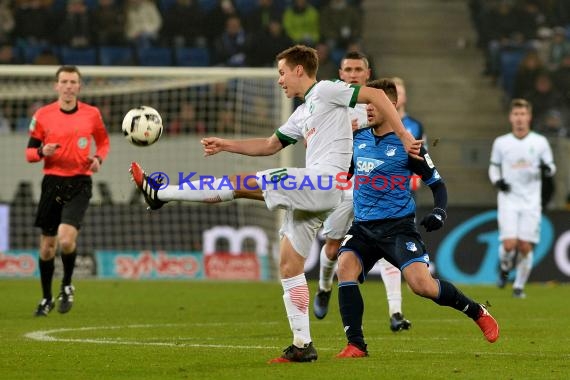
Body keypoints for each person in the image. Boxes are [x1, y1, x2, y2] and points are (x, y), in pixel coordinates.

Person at [129, 45, 421, 363]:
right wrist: (226, 144)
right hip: (318, 193)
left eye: (282, 73)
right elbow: (270, 145)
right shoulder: (302, 111)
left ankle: (160, 194)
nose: (279, 80)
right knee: (288, 265)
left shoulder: (326, 90)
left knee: (239, 184)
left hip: (322, 182)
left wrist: (405, 136)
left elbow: (377, 98)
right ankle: (302, 345)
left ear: (299, 70)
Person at [335, 78, 500, 358]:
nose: (368, 110)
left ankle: (476, 311)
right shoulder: (358, 138)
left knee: (421, 286)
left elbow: (437, 184)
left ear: (391, 104)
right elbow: (346, 173)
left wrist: (439, 211)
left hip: (398, 227)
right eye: (366, 105)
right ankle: (356, 344)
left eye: (373, 104)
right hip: (363, 227)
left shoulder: (408, 145)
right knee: (345, 268)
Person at [313, 52, 412, 333]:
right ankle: (323, 288)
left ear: (367, 74)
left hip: (376, 190)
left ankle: (396, 311)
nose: (353, 74)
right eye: (348, 70)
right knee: (332, 248)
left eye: (358, 69)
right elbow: (314, 144)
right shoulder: (331, 104)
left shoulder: (376, 102)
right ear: (341, 74)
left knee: (387, 248)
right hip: (345, 187)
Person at [25, 65, 110, 316]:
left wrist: (98, 159)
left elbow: (103, 142)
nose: (69, 86)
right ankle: (46, 298)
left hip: (79, 182)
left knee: (65, 239)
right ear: (56, 86)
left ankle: (66, 284)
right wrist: (42, 151)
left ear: (79, 86)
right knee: (47, 247)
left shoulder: (92, 114)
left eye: (73, 82)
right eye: (64, 81)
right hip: (52, 182)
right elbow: (29, 153)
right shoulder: (43, 115)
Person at [489, 98, 556, 298]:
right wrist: (498, 181)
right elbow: (494, 166)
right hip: (508, 198)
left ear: (529, 117)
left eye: (523, 114)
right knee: (509, 244)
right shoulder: (501, 142)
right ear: (511, 117)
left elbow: (551, 167)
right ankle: (505, 267)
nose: (519, 118)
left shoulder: (540, 142)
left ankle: (518, 287)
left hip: (531, 200)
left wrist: (547, 169)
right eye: (516, 114)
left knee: (525, 246)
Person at [393, 77, 426, 197]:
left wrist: (418, 175)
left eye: (399, 93)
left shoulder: (415, 125)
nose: (396, 96)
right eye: (393, 93)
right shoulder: (378, 122)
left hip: (406, 183)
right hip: (381, 181)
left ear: (405, 98)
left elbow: (422, 151)